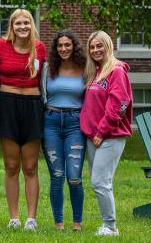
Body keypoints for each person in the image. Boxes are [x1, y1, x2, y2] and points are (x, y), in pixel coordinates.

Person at [0, 9, 46, 230]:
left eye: (26, 23)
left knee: (31, 167)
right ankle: (14, 218)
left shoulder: (39, 47)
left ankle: (31, 219)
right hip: (6, 105)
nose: (22, 27)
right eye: (18, 24)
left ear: (31, 24)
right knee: (11, 166)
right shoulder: (0, 46)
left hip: (33, 107)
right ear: (11, 26)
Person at [80, 30, 132, 236]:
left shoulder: (117, 71)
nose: (95, 50)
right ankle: (106, 225)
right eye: (92, 47)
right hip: (93, 136)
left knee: (100, 181)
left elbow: (118, 105)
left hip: (110, 135)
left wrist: (101, 132)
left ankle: (110, 226)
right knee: (99, 180)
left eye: (99, 46)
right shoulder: (96, 72)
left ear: (108, 46)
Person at [40, 29, 86, 230]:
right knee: (57, 175)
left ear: (74, 46)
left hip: (75, 123)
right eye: (60, 45)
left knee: (74, 176)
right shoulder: (48, 68)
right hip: (50, 122)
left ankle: (77, 223)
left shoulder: (85, 68)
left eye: (67, 45)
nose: (64, 49)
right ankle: (59, 223)